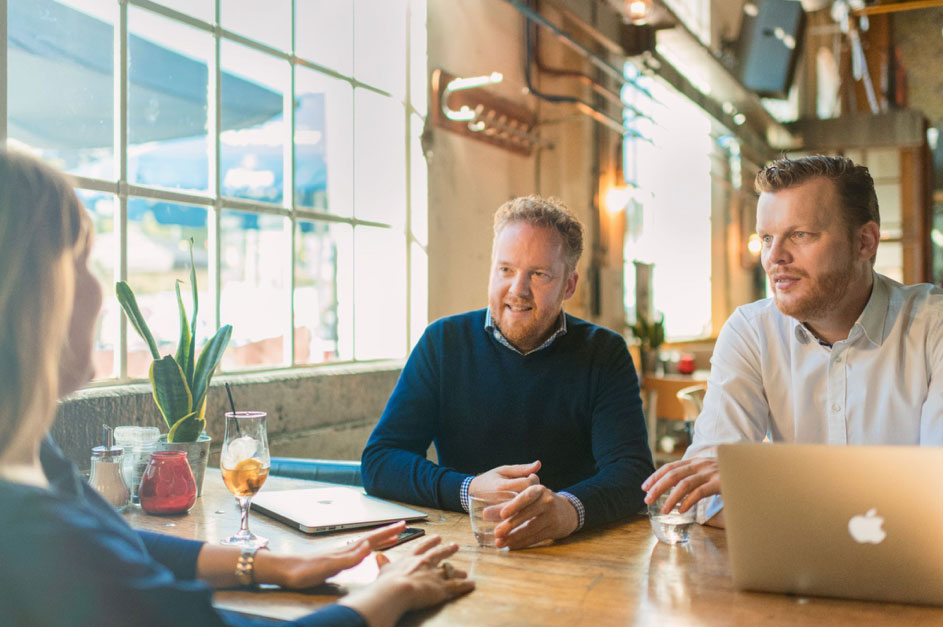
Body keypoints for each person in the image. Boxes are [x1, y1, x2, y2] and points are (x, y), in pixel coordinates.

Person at [0, 150, 474, 627]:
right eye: (83, 260)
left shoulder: (31, 457)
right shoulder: (25, 528)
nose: (102, 289)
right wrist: (383, 597)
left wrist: (271, 565)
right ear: (30, 293)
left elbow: (109, 543)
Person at [642, 155, 943, 527]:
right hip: (790, 574)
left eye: (800, 235)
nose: (774, 257)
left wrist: (769, 484)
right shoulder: (750, 331)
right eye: (767, 238)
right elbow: (706, 497)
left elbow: (937, 493)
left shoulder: (933, 326)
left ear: (865, 242)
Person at [361, 195, 654, 549]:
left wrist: (567, 511)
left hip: (572, 555)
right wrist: (467, 491)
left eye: (539, 274)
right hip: (465, 548)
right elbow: (380, 461)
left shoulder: (603, 352)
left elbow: (632, 472)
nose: (518, 290)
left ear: (569, 285)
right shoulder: (443, 342)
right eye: (506, 270)